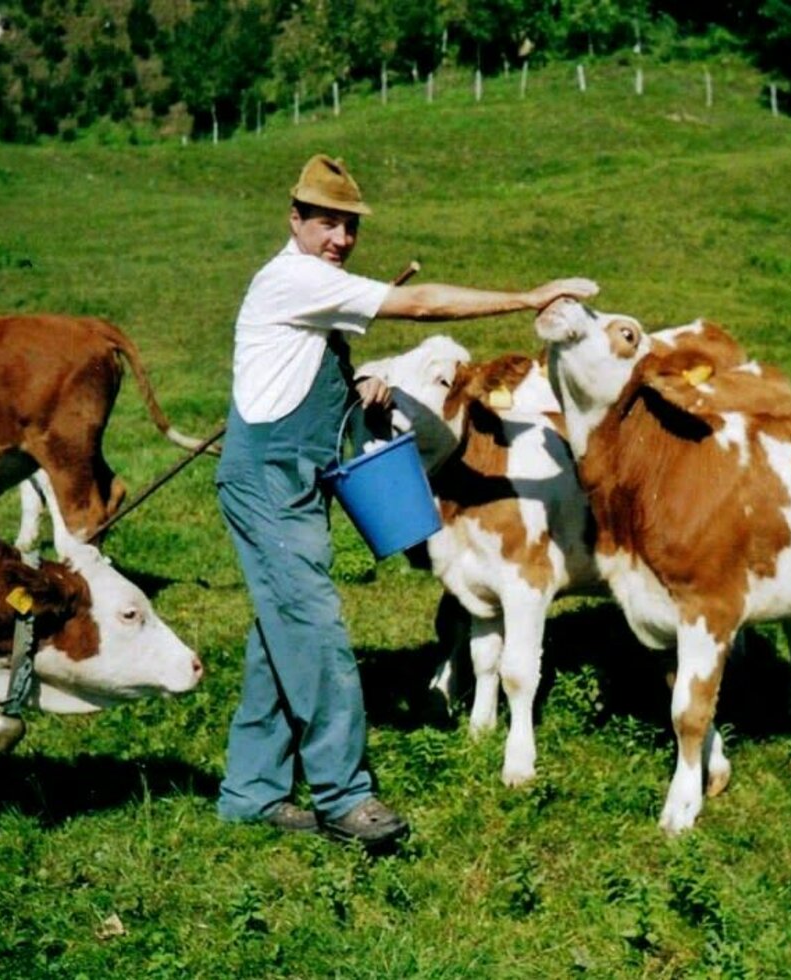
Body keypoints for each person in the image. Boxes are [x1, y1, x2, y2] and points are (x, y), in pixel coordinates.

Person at [215, 153, 599, 849]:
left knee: (279, 636)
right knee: (319, 631)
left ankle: (251, 792)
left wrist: (356, 390)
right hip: (271, 482)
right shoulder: (293, 279)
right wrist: (527, 296)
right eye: (326, 223)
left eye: (350, 227)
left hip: (299, 481)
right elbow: (421, 303)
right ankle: (343, 796)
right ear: (294, 220)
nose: (340, 239)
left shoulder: (313, 293)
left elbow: (309, 394)